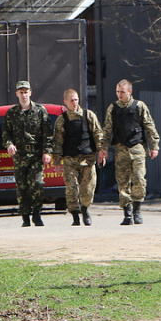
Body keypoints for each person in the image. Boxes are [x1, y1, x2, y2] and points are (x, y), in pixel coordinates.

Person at [98, 79, 160, 225]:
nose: (119, 95)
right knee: (123, 182)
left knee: (139, 179)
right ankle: (127, 214)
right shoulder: (113, 108)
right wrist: (103, 148)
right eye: (118, 92)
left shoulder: (139, 106)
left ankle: (137, 211)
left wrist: (154, 146)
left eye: (122, 92)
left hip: (137, 148)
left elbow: (150, 126)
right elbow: (107, 130)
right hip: (121, 149)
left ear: (130, 92)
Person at [2, 80, 53, 227]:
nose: (24, 95)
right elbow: (6, 133)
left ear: (30, 93)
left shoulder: (40, 110)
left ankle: (37, 214)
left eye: (26, 92)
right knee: (22, 186)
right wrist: (9, 144)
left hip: (36, 154)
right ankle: (25, 216)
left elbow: (47, 134)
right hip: (20, 155)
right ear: (17, 94)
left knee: (37, 183)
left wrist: (47, 151)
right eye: (21, 92)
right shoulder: (12, 113)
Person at [52, 89, 104, 226]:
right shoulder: (61, 120)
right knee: (71, 189)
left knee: (87, 189)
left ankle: (85, 210)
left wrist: (102, 152)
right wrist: (57, 161)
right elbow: (57, 142)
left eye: (76, 99)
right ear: (65, 102)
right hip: (70, 160)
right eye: (71, 100)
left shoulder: (88, 115)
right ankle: (75, 215)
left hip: (88, 159)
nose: (74, 103)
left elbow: (98, 134)